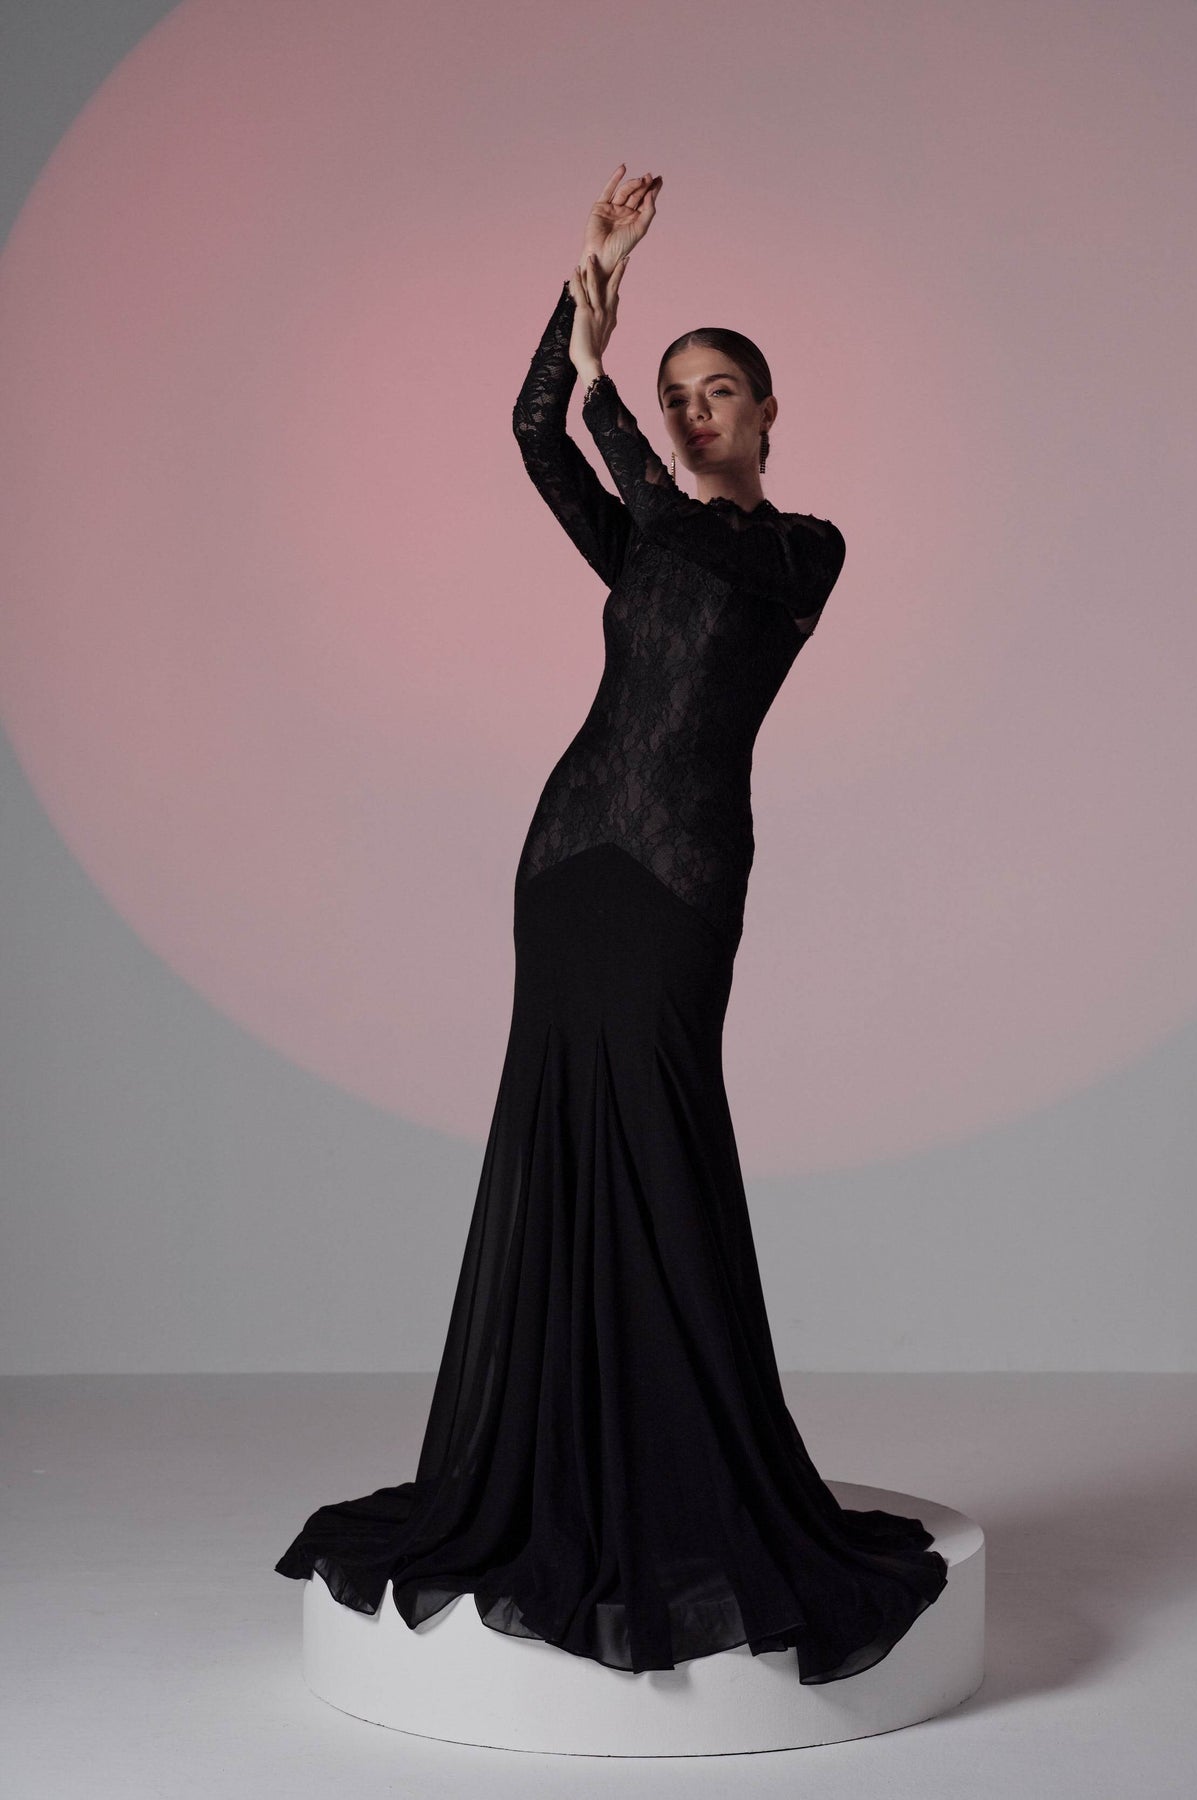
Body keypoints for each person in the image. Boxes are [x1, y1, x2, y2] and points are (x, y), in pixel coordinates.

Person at [275, 164, 948, 1685]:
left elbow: (660, 504)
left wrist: (606, 388)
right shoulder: (646, 538)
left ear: (769, 416)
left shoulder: (796, 551)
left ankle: (697, 1473)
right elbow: (537, 437)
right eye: (674, 394)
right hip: (568, 854)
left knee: (662, 1133)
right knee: (560, 1136)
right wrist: (583, 300)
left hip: (681, 870)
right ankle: (565, 1464)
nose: (695, 414)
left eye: (719, 393)